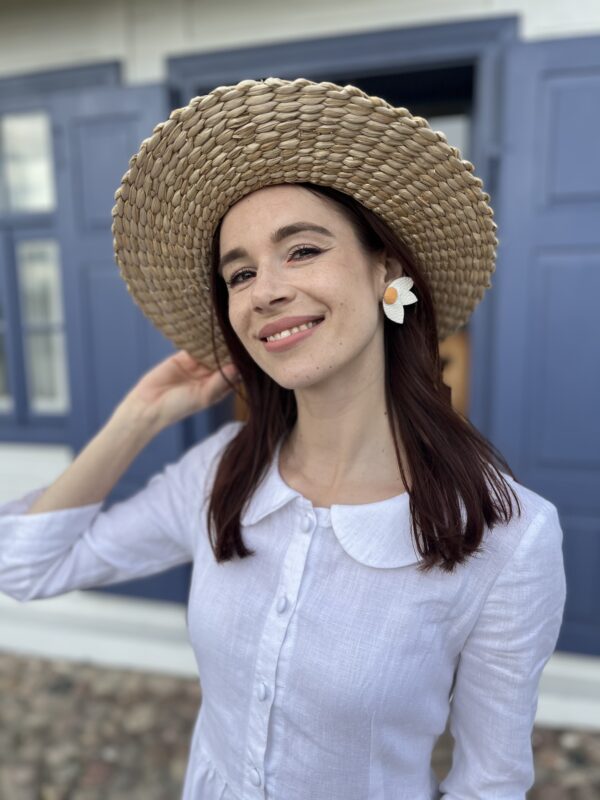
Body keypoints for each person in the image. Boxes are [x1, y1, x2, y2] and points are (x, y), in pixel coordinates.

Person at [0, 77, 566, 799]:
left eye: (301, 250)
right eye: (239, 273)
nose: (264, 290)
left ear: (386, 269)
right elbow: (23, 566)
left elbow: (490, 782)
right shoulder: (220, 474)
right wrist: (138, 415)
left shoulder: (508, 536)